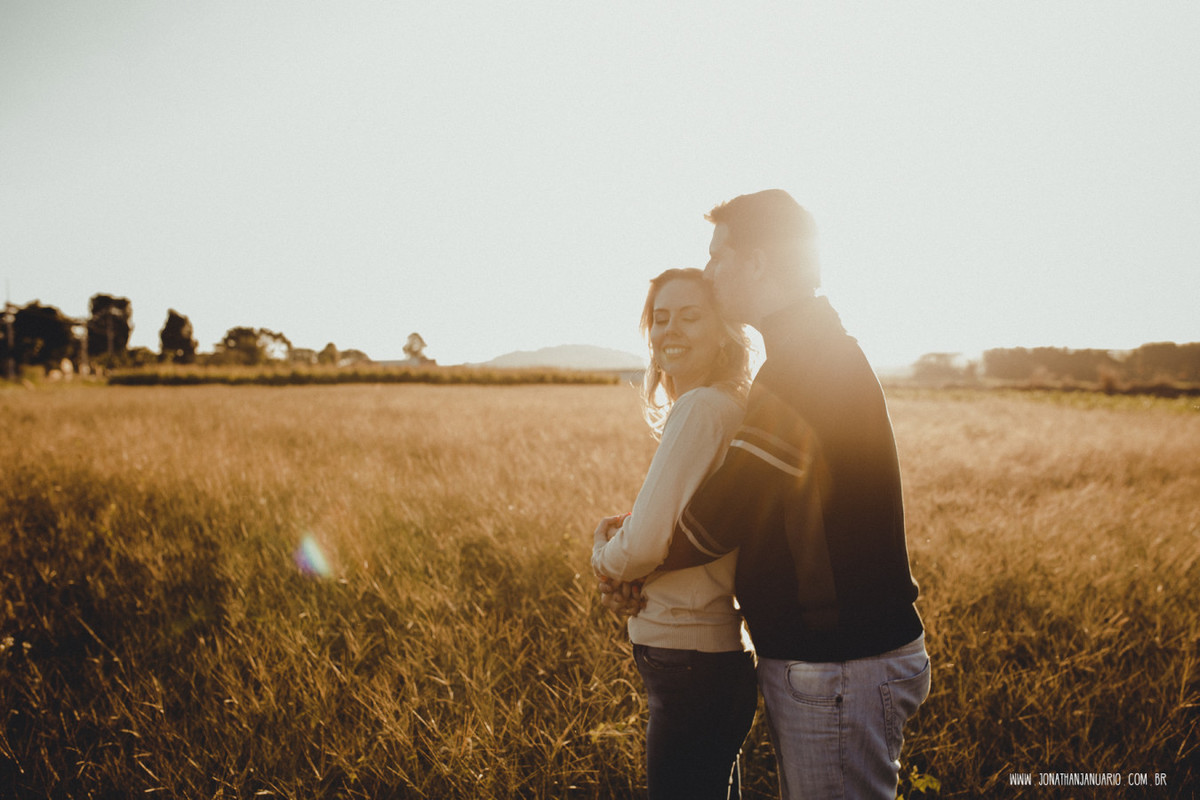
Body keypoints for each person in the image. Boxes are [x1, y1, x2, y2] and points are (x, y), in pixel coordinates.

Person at [649, 190, 930, 799]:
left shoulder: (804, 367)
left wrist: (627, 559)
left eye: (718, 257)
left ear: (755, 264)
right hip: (837, 662)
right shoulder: (811, 352)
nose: (709, 272)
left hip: (840, 664)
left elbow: (718, 520)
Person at [591, 267, 757, 800]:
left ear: (724, 331)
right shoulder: (726, 407)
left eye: (690, 316)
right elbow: (677, 533)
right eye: (660, 319)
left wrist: (606, 559)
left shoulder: (701, 407)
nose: (670, 331)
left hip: (688, 659)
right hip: (711, 659)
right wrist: (634, 561)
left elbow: (644, 545)